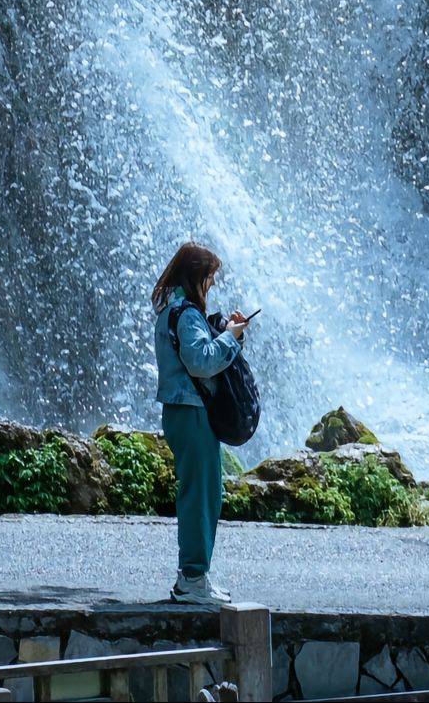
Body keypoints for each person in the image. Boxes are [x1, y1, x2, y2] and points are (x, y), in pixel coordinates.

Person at [152, 241, 251, 605]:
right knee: (201, 495)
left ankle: (195, 576)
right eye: (209, 277)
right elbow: (201, 362)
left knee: (203, 491)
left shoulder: (172, 310)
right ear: (196, 276)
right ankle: (192, 578)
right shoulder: (186, 313)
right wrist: (231, 338)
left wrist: (224, 329)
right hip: (191, 411)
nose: (210, 284)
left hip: (182, 410)